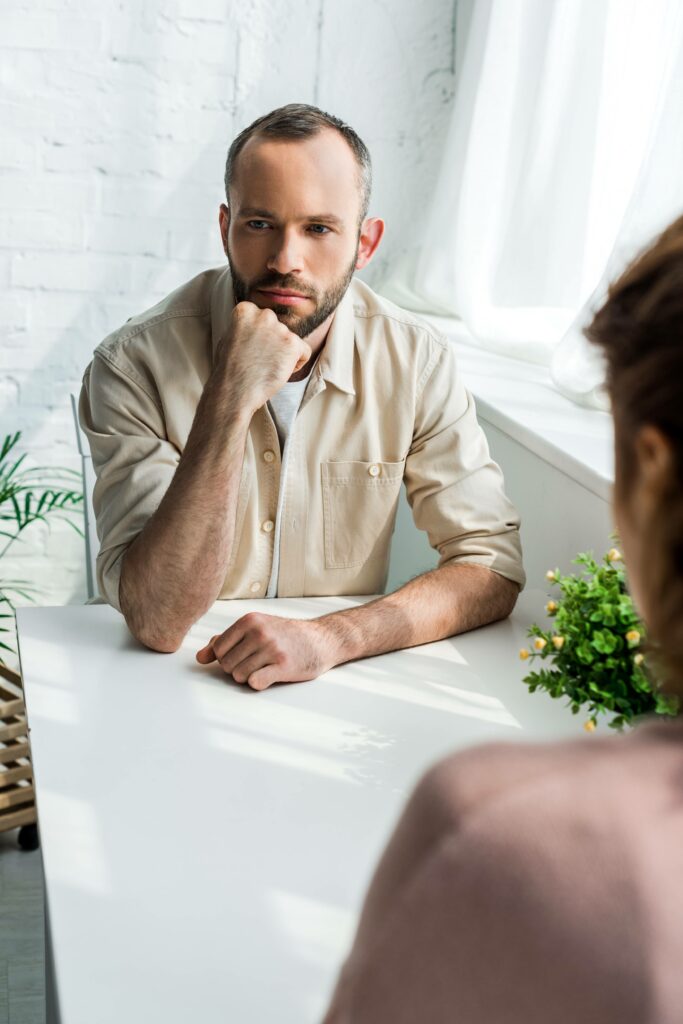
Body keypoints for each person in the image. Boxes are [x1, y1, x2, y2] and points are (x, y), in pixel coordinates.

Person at [323, 215, 683, 1023]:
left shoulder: (507, 836)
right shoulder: (141, 357)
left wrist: (336, 635)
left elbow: (488, 561)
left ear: (651, 481)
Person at [79, 103, 524, 689]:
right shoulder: (132, 365)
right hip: (159, 686)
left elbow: (489, 564)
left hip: (340, 688)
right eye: (259, 224)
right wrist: (230, 397)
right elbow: (159, 619)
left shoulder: (416, 359)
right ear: (225, 228)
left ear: (365, 244)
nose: (285, 261)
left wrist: (332, 638)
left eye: (318, 229)